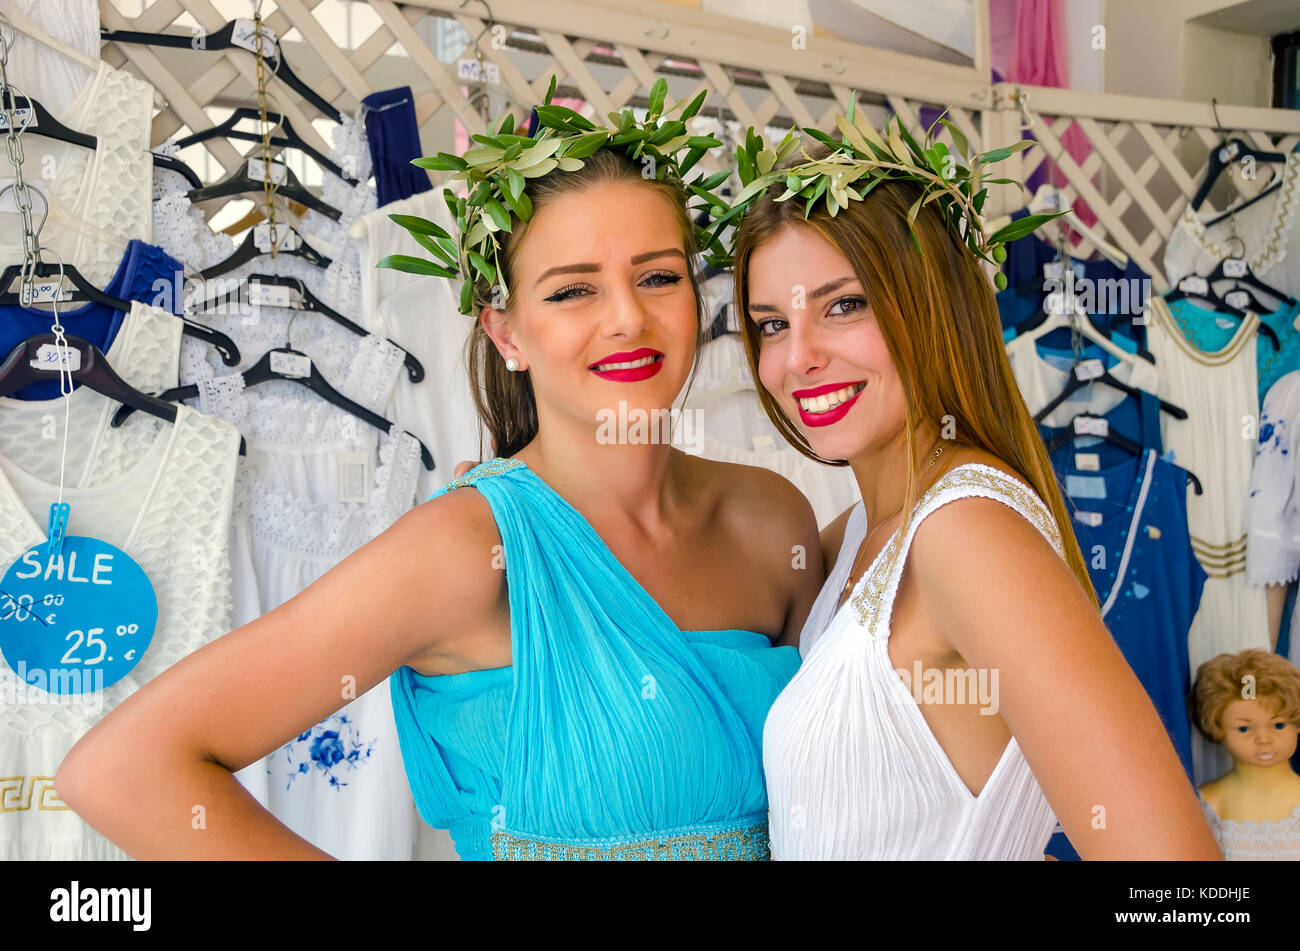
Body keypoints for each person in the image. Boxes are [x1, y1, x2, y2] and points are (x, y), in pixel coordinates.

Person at [53, 104, 823, 860]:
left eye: (657, 276)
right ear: (507, 332)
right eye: (572, 290)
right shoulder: (467, 547)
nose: (627, 317)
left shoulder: (771, 521)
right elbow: (123, 772)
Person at [729, 122, 1223, 859]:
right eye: (772, 323)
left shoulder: (966, 536)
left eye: (843, 305)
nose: (798, 358)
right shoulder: (860, 533)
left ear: (932, 304)